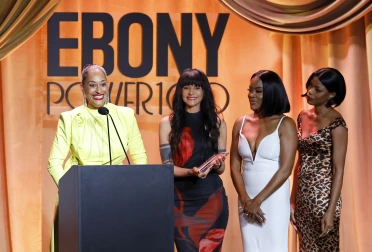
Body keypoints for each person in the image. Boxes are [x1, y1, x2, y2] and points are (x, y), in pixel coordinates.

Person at [48, 64, 147, 252]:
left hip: (117, 195)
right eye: (92, 85)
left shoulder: (125, 115)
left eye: (103, 84)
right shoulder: (69, 118)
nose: (98, 90)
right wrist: (70, 192)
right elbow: (53, 162)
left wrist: (137, 189)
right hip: (80, 197)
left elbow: (139, 156)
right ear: (82, 88)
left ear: (108, 86)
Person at [159, 68, 229, 252]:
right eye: (186, 87)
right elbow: (167, 167)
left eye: (197, 88)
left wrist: (218, 163)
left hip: (212, 200)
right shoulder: (168, 123)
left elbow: (221, 169)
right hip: (180, 202)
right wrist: (190, 172)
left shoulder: (218, 122)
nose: (192, 93)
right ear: (179, 91)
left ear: (205, 91)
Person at [230, 70, 297, 252]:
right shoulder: (240, 123)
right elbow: (235, 166)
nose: (251, 95)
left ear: (272, 92)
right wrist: (246, 200)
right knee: (250, 248)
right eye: (250, 90)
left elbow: (286, 169)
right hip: (246, 200)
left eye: (258, 91)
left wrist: (257, 201)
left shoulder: (286, 124)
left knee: (274, 247)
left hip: (272, 198)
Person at [290, 67, 348, 251]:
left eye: (317, 89)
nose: (310, 92)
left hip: (325, 198)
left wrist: (331, 211)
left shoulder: (336, 123)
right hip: (303, 197)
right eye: (310, 86)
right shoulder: (302, 116)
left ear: (332, 94)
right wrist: (292, 199)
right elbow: (299, 161)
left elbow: (339, 169)